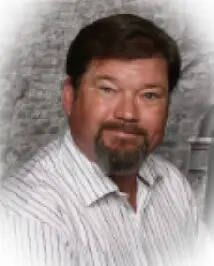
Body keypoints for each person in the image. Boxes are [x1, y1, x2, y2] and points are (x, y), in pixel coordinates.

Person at [0, 13, 210, 266]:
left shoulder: (173, 185)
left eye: (150, 95)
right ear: (69, 97)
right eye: (108, 90)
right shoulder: (28, 216)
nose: (128, 114)